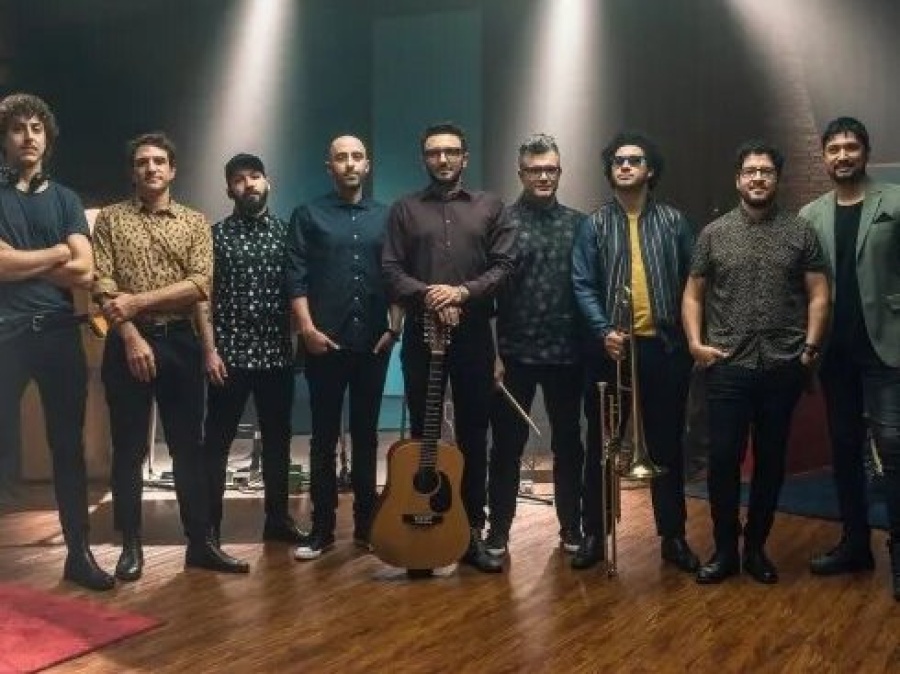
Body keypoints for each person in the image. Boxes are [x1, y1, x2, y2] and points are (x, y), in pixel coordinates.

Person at [93, 132, 249, 580]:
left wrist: (140, 303)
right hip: (127, 341)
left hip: (180, 342)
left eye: (159, 161)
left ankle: (200, 544)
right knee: (128, 449)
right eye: (142, 162)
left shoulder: (194, 221)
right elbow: (103, 284)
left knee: (188, 448)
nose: (151, 168)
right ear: (133, 172)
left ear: (173, 169)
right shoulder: (111, 219)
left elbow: (200, 285)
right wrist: (130, 334)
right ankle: (130, 546)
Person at [683, 140, 830, 584]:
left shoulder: (801, 232)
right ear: (738, 180)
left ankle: (756, 549)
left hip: (783, 365)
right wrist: (695, 343)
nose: (758, 178)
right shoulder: (714, 233)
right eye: (751, 171)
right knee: (723, 460)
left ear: (777, 179)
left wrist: (809, 349)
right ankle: (725, 549)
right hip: (727, 364)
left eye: (766, 171)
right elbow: (693, 294)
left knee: (770, 461)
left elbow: (819, 294)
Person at [382, 122, 517, 573]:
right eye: (434, 152)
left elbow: (505, 266)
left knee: (474, 435)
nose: (443, 159)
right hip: (422, 338)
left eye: (451, 152)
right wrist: (431, 296)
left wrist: (461, 294)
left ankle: (470, 532)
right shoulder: (404, 209)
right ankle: (422, 532)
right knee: (425, 436)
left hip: (474, 336)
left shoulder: (490, 207)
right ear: (424, 158)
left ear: (465, 157)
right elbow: (390, 270)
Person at [0, 93, 114, 591]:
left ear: (47, 138)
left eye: (36, 128)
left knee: (67, 448)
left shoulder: (65, 199)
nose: (28, 136)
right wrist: (55, 254)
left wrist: (21, 258)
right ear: (4, 139)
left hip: (58, 335)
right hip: (5, 335)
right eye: (17, 128)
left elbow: (84, 270)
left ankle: (79, 554)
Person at [571, 131, 698, 573]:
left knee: (667, 446)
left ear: (651, 170)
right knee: (602, 446)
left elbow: (693, 282)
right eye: (618, 161)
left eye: (634, 160)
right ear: (610, 171)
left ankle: (674, 537)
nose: (625, 166)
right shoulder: (593, 225)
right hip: (611, 351)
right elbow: (582, 284)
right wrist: (603, 330)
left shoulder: (675, 222)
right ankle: (594, 534)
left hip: (664, 349)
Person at [801, 117, 900, 600]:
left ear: (865, 152)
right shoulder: (810, 215)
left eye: (851, 147)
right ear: (824, 157)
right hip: (834, 355)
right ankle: (855, 544)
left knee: (894, 450)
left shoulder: (895, 201)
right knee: (843, 450)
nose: (842, 155)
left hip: (887, 348)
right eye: (834, 148)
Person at [288, 135, 399, 560]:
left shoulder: (387, 217)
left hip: (373, 344)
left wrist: (394, 328)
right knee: (323, 438)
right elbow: (295, 277)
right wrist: (307, 330)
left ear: (367, 165)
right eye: (341, 158)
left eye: (356, 157)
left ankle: (367, 526)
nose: (350, 164)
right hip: (324, 344)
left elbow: (396, 276)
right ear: (329, 166)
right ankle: (322, 528)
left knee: (367, 437)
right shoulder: (308, 215)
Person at [484, 133, 585, 558]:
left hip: (568, 355)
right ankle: (498, 533)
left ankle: (572, 529)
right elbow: (486, 298)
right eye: (535, 170)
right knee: (506, 447)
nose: (544, 177)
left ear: (560, 172)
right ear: (520, 173)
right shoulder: (500, 223)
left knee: (569, 446)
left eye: (551, 170)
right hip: (513, 356)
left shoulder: (580, 224)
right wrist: (492, 355)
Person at [196, 153, 302, 548]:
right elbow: (202, 299)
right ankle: (209, 527)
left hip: (277, 356)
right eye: (239, 179)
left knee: (278, 442)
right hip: (229, 357)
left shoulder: (288, 234)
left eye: (255, 176)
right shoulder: (214, 236)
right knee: (217, 443)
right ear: (229, 190)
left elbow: (300, 292)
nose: (249, 184)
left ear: (267, 182)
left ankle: (278, 520)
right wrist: (209, 351)